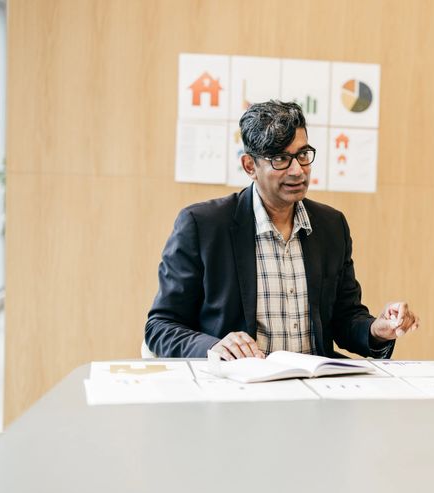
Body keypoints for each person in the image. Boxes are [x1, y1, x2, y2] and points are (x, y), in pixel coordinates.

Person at [145, 100, 419, 360]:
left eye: (303, 155)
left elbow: (345, 318)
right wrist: (215, 346)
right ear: (250, 166)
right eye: (280, 159)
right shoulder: (202, 225)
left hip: (315, 383)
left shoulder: (331, 225)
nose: (297, 170)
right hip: (241, 384)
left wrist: (377, 329)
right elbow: (161, 326)